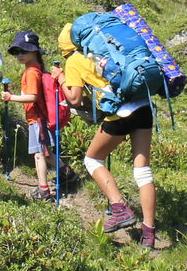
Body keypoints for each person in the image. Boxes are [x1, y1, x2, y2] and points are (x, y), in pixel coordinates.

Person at [59, 23, 161, 249]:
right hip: (143, 106)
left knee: (92, 159)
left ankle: (119, 208)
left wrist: (61, 79)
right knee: (143, 171)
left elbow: (74, 99)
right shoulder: (105, 49)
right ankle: (149, 234)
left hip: (120, 113)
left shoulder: (73, 60)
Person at [0, 31, 56, 201]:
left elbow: (32, 97)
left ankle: (44, 189)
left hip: (36, 119)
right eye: (17, 52)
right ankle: (68, 173)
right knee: (46, 153)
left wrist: (11, 97)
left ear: (35, 52)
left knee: (39, 154)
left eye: (24, 51)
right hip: (39, 117)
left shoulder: (31, 72)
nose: (20, 55)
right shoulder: (36, 69)